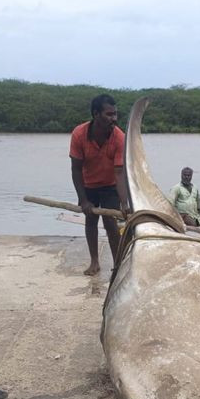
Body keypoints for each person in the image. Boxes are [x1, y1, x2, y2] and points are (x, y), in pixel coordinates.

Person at [69, 94, 130, 276]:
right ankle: (94, 261)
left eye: (115, 114)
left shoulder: (119, 137)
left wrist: (124, 204)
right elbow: (76, 169)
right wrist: (83, 200)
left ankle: (117, 265)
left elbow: (119, 173)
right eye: (109, 114)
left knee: (111, 224)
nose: (114, 119)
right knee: (91, 220)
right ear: (96, 114)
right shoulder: (79, 134)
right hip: (88, 184)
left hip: (110, 184)